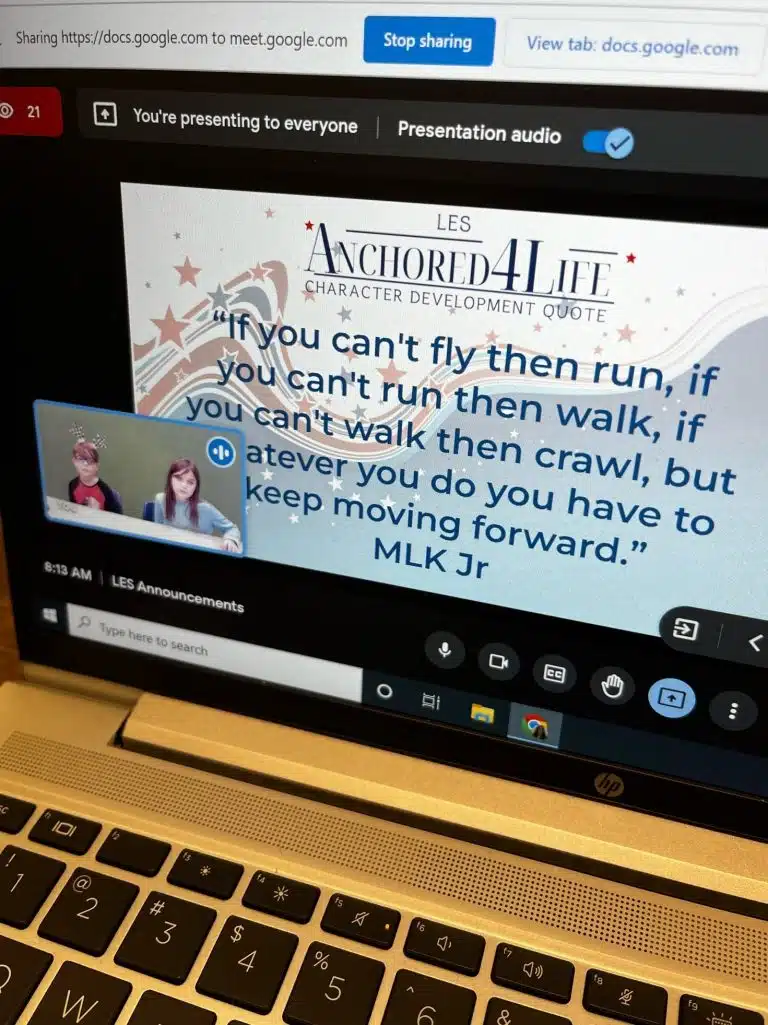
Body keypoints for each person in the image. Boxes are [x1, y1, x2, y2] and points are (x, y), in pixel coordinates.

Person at [152, 457, 241, 552]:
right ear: (170, 478)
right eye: (178, 478)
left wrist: (230, 540)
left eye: (190, 482)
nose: (184, 485)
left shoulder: (206, 509)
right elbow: (158, 529)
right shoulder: (160, 499)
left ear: (196, 487)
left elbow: (232, 528)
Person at [68, 441, 123, 513]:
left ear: (97, 466)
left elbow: (115, 517)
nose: (85, 464)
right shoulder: (72, 485)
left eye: (90, 461)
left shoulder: (105, 491)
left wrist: (98, 511)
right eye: (81, 459)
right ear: (74, 462)